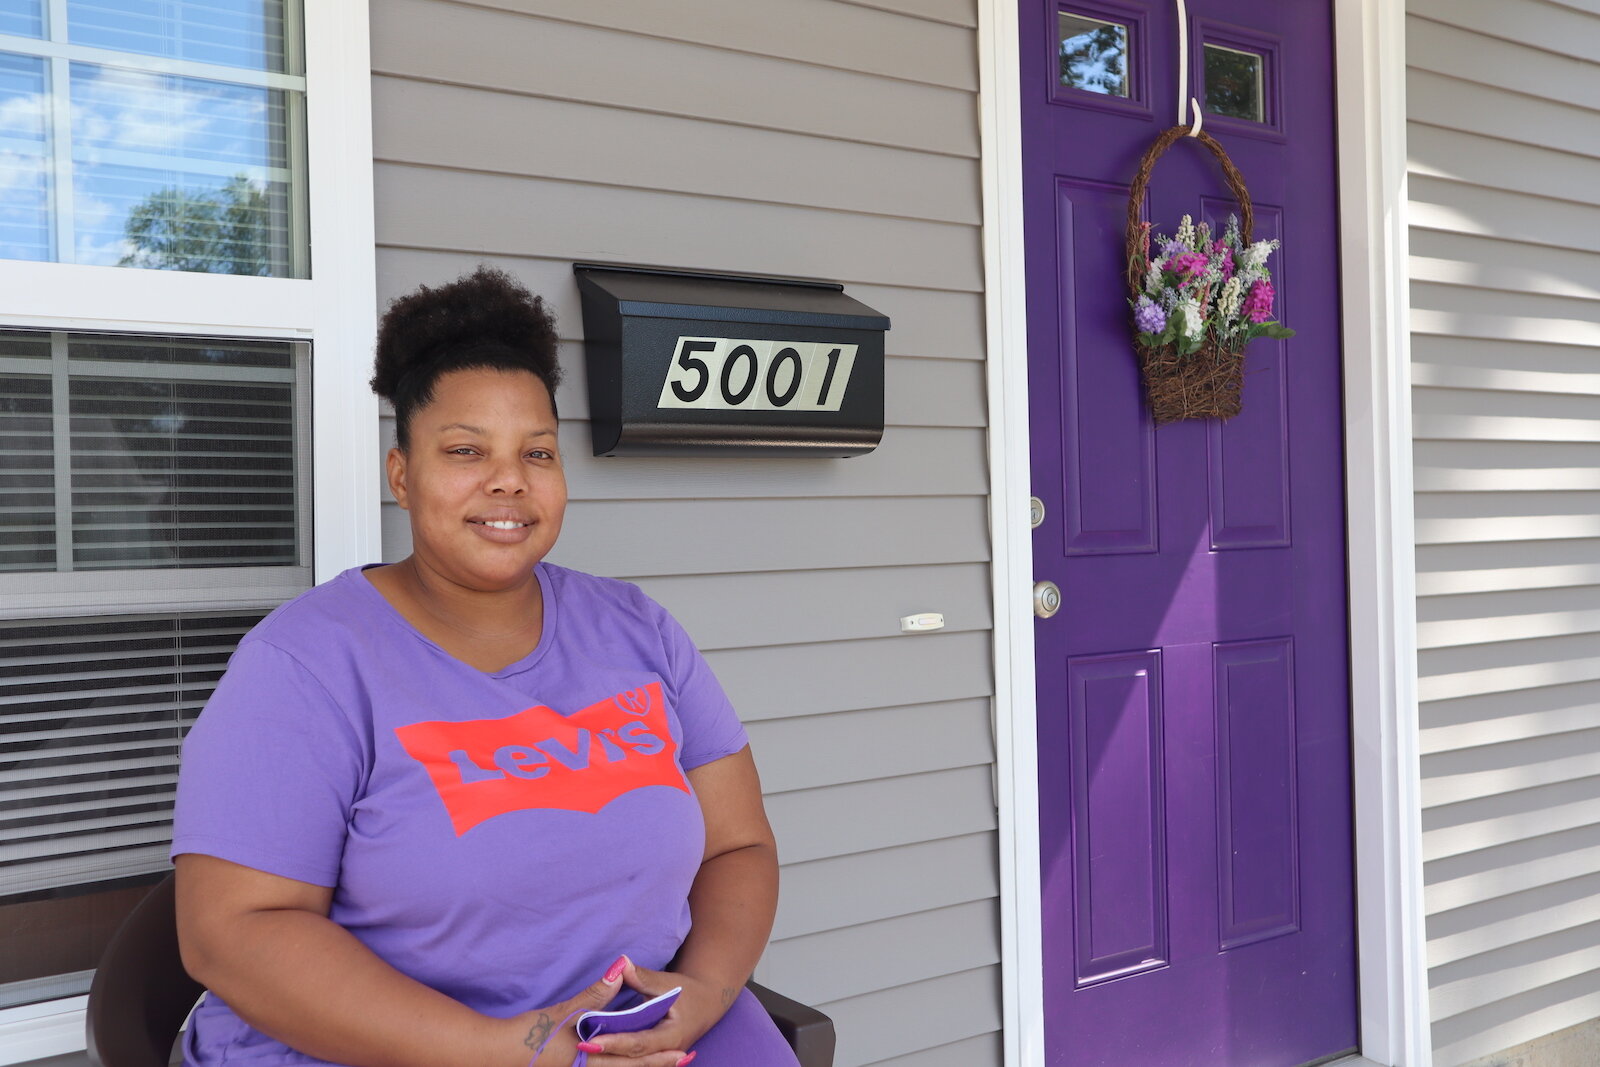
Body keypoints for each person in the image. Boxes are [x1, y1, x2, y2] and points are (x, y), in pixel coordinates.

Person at [170, 267, 800, 1067]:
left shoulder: (639, 630)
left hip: (634, 1035)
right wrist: (514, 1047)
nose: (509, 479)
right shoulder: (305, 665)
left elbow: (737, 845)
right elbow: (233, 931)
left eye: (536, 450)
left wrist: (705, 992)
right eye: (466, 450)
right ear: (402, 474)